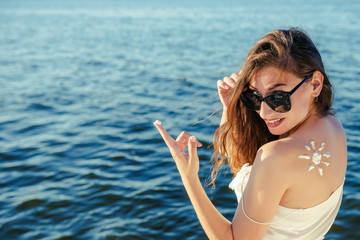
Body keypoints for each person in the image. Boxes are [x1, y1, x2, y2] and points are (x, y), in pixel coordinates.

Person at [153, 28, 347, 240]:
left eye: (278, 97)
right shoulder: (333, 126)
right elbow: (250, 168)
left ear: (315, 84)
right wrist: (230, 109)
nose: (263, 112)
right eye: (254, 98)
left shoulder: (276, 156)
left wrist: (188, 176)